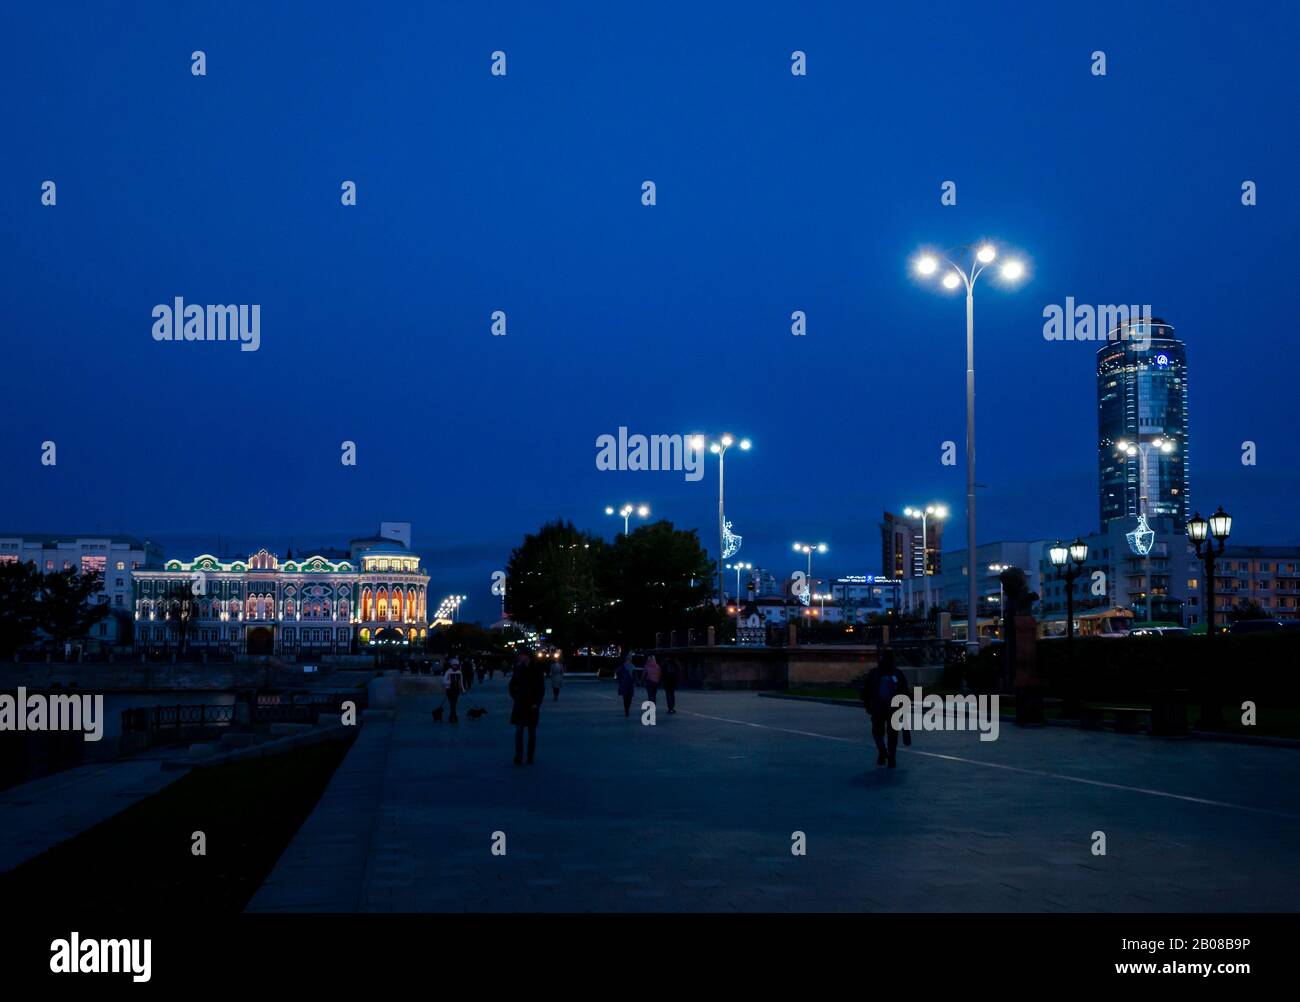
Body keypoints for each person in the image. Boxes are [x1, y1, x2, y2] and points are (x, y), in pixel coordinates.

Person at [862, 649, 909, 767]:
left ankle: (882, 751)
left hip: (878, 708)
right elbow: (905, 692)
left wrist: (868, 705)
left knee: (877, 732)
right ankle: (892, 755)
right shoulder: (898, 673)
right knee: (893, 734)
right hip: (894, 708)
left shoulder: (874, 673)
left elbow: (866, 691)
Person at [509, 651, 546, 765]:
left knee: (531, 732)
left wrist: (537, 703)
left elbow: (541, 687)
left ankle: (530, 755)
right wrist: (515, 695)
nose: (520, 657)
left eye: (522, 654)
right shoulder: (518, 668)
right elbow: (512, 684)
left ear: (527, 656)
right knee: (519, 731)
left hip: (532, 704)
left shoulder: (537, 668)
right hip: (520, 703)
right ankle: (518, 756)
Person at [443, 658, 464, 723]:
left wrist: (463, 689)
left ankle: (453, 717)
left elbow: (461, 682)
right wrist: (450, 682)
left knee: (453, 704)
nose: (455, 666)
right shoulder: (448, 672)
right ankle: (453, 716)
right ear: (451, 665)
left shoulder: (459, 672)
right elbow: (444, 681)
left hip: (456, 690)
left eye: (456, 665)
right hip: (449, 690)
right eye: (454, 665)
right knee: (452, 704)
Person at [616, 651, 637, 717]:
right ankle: (627, 710)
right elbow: (635, 676)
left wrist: (620, 679)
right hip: (628, 684)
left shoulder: (626, 666)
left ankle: (626, 710)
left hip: (626, 684)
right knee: (628, 698)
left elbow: (618, 673)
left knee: (626, 698)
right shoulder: (630, 666)